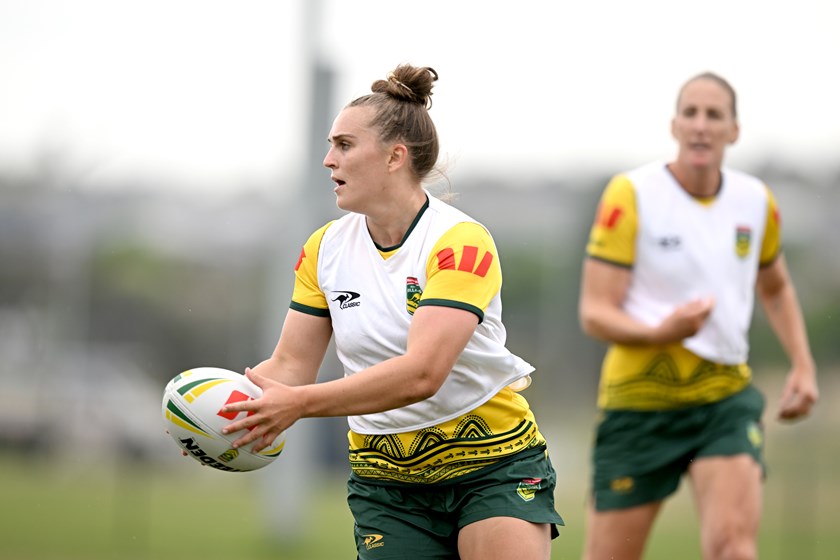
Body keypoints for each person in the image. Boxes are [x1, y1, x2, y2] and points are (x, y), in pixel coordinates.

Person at [219, 63, 564, 560]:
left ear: (394, 157)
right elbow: (291, 367)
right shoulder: (323, 249)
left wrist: (299, 404)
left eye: (344, 145)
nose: (328, 160)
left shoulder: (459, 241)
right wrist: (220, 413)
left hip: (492, 465)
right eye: (331, 145)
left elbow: (423, 374)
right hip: (386, 482)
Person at [577, 71, 819, 560]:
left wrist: (803, 363)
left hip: (723, 399)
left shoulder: (755, 201)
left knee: (734, 549)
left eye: (714, 115)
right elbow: (594, 312)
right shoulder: (632, 193)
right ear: (675, 126)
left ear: (734, 130)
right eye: (690, 113)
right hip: (639, 404)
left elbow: (775, 287)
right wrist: (661, 332)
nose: (701, 125)